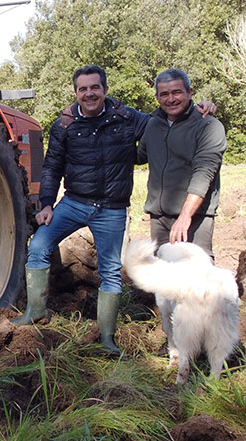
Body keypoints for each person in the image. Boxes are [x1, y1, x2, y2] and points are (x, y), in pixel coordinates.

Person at [12, 64, 214, 353]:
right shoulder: (64, 125)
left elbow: (168, 117)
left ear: (105, 90)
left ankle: (106, 338)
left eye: (95, 87)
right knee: (38, 246)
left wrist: (201, 107)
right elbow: (51, 167)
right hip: (74, 202)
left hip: (111, 208)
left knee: (109, 270)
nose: (89, 93)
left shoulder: (128, 117)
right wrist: (46, 204)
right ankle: (36, 311)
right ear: (76, 92)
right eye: (83, 89)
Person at [137, 68, 226, 259]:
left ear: (190, 92)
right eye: (164, 94)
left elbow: (204, 173)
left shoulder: (208, 126)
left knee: (197, 275)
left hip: (195, 217)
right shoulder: (153, 125)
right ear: (157, 97)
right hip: (159, 217)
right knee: (164, 276)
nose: (171, 99)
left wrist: (185, 217)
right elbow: (138, 156)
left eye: (176, 92)